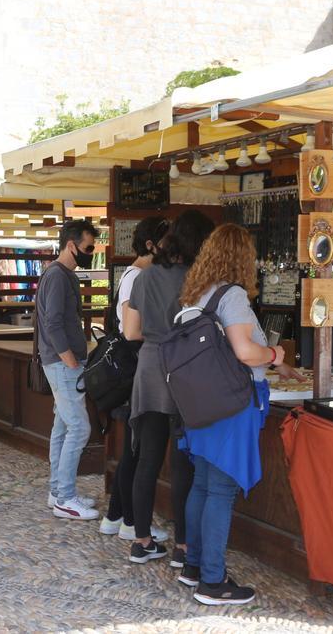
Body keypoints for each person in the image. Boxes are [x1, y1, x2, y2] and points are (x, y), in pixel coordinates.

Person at [171, 224, 302, 606]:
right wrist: (275, 356)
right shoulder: (233, 296)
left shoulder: (197, 294)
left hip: (202, 402)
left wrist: (275, 366)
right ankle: (213, 581)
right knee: (221, 490)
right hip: (231, 404)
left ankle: (193, 566)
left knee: (203, 484)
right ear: (243, 258)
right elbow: (244, 353)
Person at [120, 211, 214, 566]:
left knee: (147, 458)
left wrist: (158, 333)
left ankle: (141, 541)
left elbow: (131, 332)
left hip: (149, 369)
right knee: (183, 464)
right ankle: (184, 547)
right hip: (186, 370)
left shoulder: (144, 278)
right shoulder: (199, 280)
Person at [93, 217, 169, 551]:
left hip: (138, 369)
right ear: (152, 244)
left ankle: (115, 517)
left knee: (132, 451)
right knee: (135, 453)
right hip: (139, 369)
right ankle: (130, 523)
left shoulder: (134, 275)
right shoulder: (138, 277)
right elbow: (130, 330)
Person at [38, 219, 100, 520]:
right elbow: (52, 322)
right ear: (71, 245)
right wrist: (69, 359)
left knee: (63, 427)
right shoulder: (58, 276)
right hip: (64, 363)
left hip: (64, 361)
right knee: (79, 427)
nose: (91, 252)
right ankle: (65, 497)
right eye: (88, 248)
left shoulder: (63, 275)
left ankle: (58, 490)